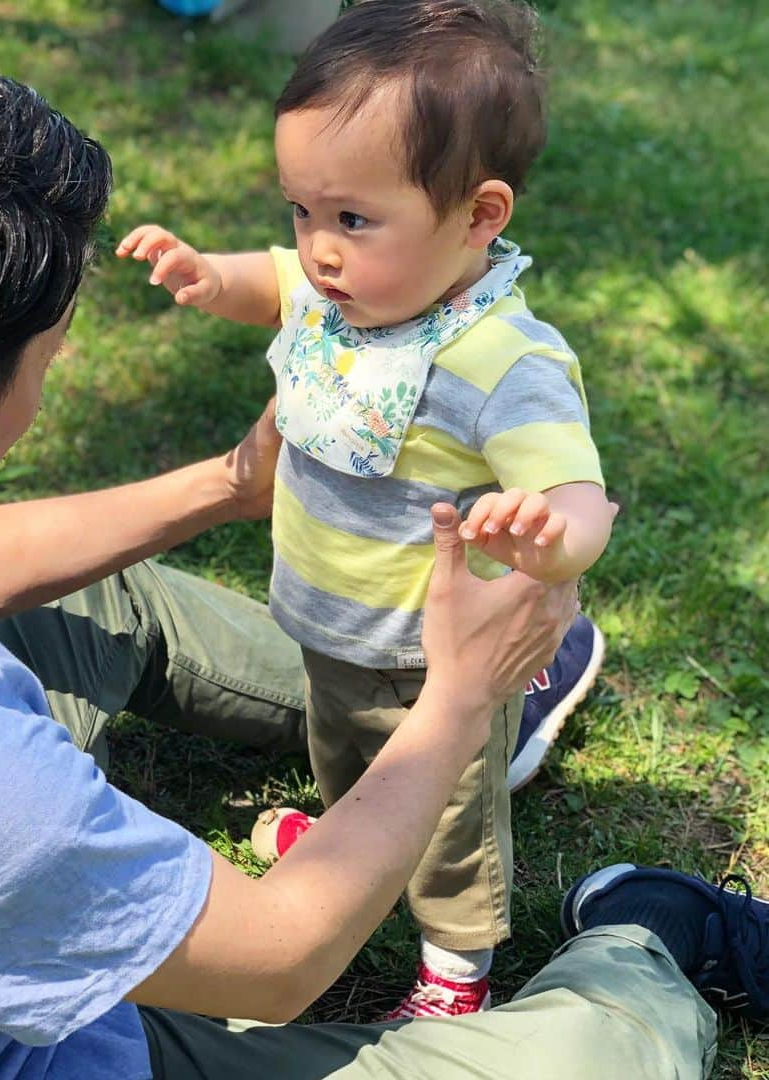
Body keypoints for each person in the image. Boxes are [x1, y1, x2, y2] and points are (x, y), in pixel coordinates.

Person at [0, 40, 763, 1080]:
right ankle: (645, 943)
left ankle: (430, 750)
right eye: (48, 359)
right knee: (587, 1060)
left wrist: (226, 485)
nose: (46, 392)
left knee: (81, 582)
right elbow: (278, 955)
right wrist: (456, 698)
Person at [117, 0, 613, 1018]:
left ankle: (454, 965)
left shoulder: (500, 361)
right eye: (302, 209)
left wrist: (551, 539)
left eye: (349, 218)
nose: (318, 246)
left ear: (480, 216)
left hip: (431, 657)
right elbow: (284, 282)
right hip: (326, 617)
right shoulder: (348, 285)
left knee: (447, 818)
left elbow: (580, 494)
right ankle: (349, 853)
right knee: (338, 751)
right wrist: (215, 276)